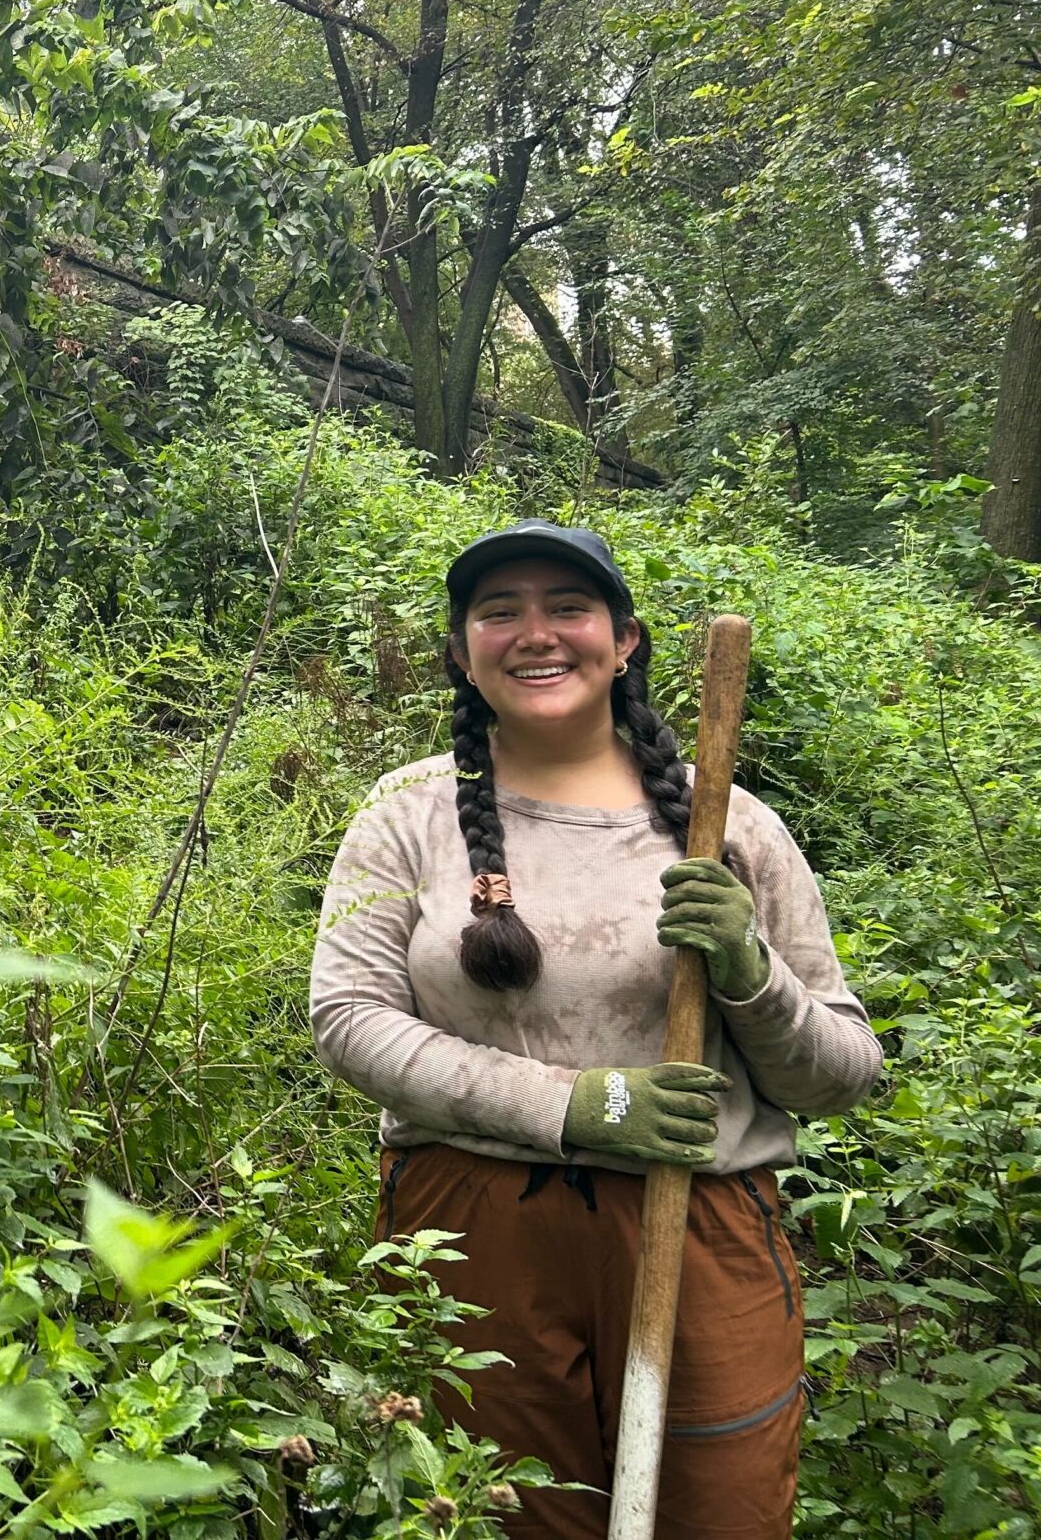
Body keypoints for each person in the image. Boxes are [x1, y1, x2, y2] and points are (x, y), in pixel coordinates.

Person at [310, 521, 882, 1538]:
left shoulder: (732, 827)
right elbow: (348, 1022)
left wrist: (750, 973)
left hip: (696, 1228)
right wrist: (580, 1104)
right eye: (499, 612)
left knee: (722, 1511)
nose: (535, 635)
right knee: (501, 1511)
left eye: (567, 608)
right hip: (472, 1227)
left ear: (624, 642)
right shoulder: (406, 814)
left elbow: (838, 1074)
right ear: (458, 651)